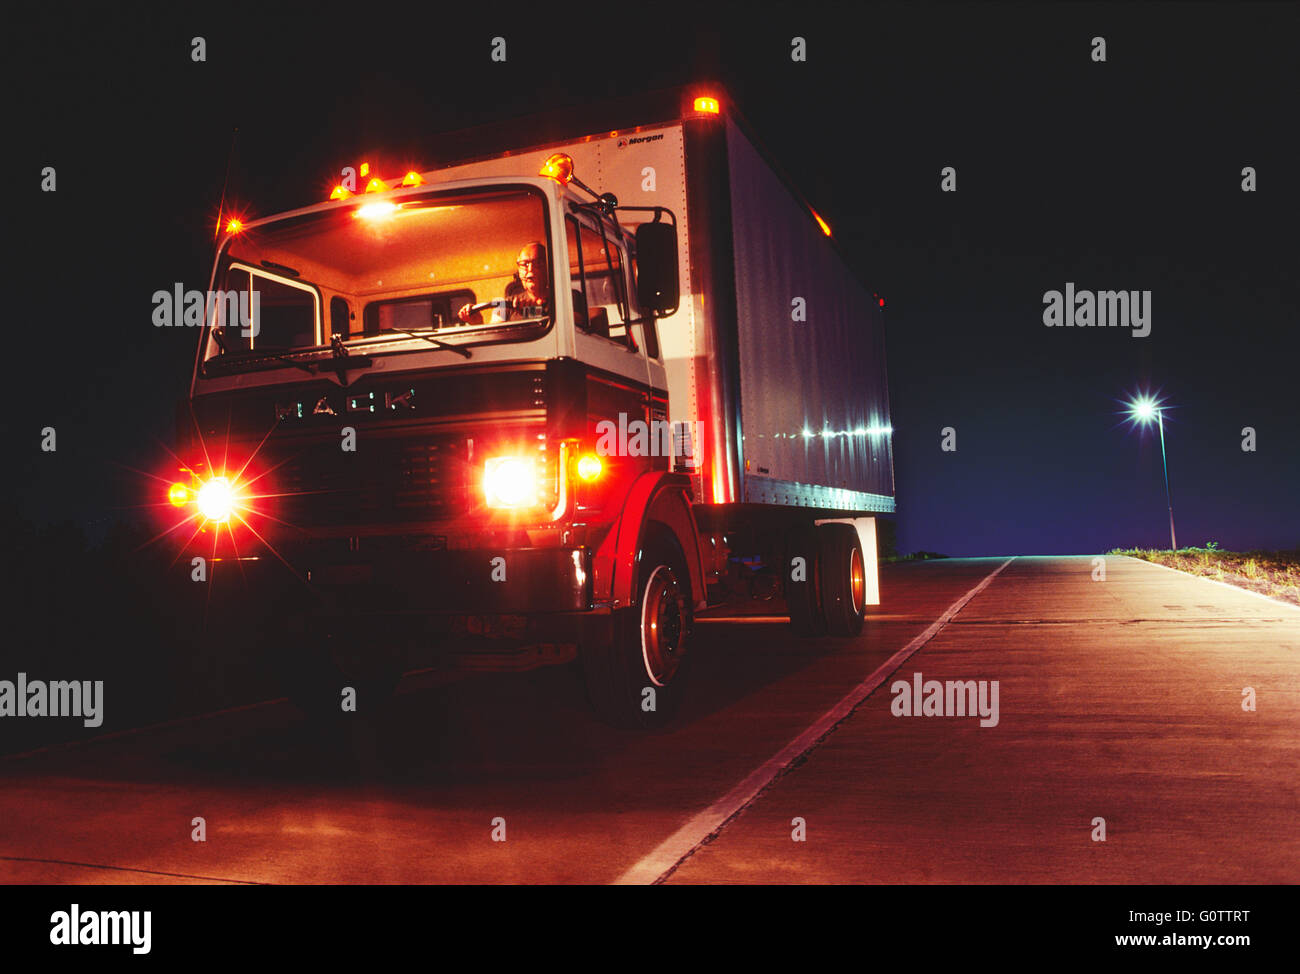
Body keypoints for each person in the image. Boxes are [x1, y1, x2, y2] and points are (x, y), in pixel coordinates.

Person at [458, 242, 551, 324]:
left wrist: (533, 313)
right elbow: (494, 336)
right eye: (524, 264)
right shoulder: (503, 305)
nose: (530, 269)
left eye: (538, 263)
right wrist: (478, 323)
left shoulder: (560, 301)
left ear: (548, 267)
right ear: (519, 271)